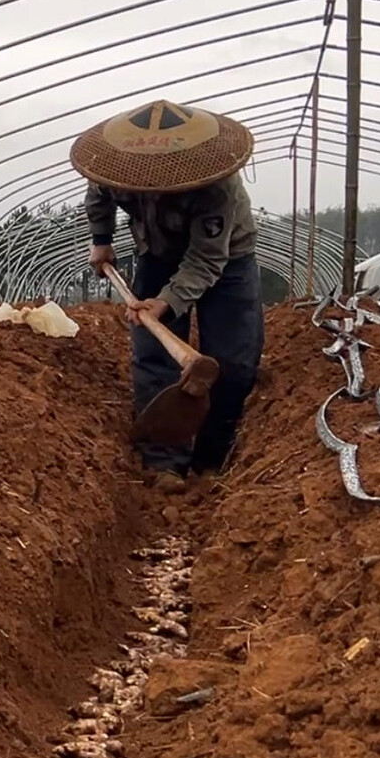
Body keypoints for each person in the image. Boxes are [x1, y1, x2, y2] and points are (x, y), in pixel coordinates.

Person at [73, 99, 263, 491]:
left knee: (232, 360)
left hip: (228, 261)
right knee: (153, 355)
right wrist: (101, 239)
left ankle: (212, 458)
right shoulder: (117, 168)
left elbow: (208, 258)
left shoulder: (216, 186)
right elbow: (99, 194)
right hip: (157, 254)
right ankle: (164, 462)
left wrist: (167, 301)